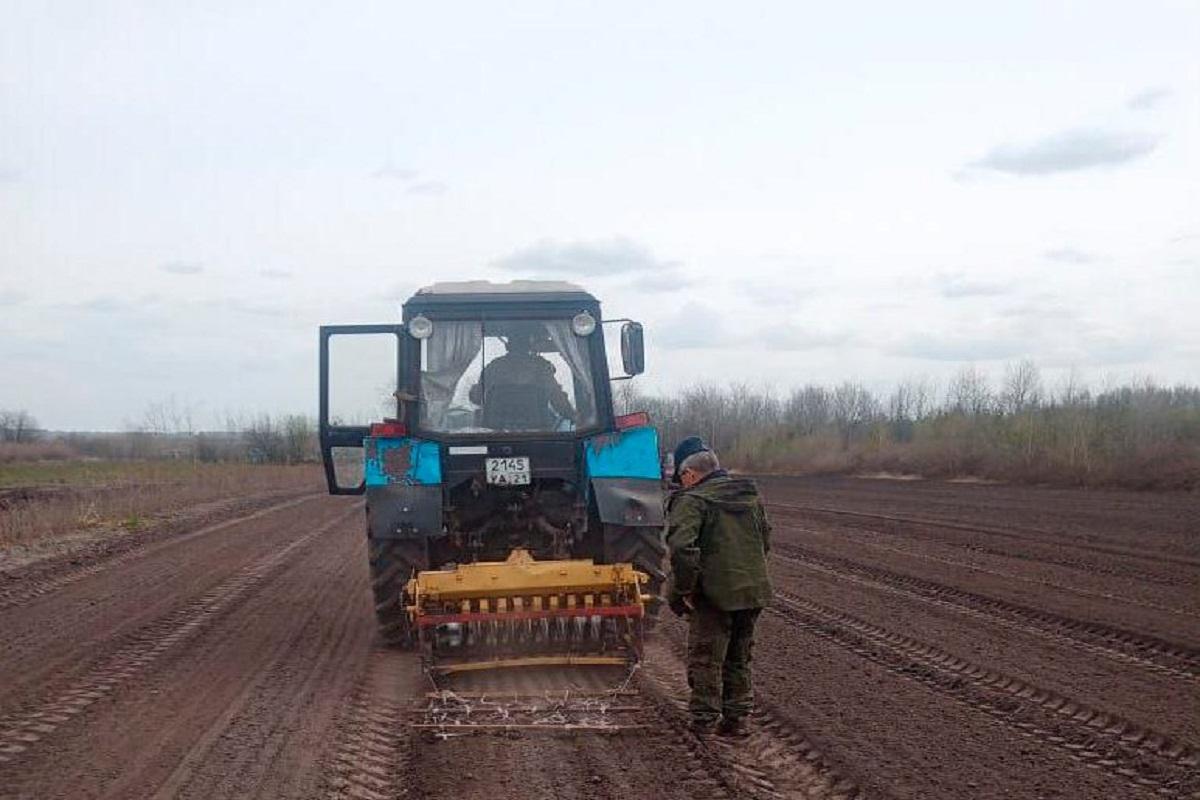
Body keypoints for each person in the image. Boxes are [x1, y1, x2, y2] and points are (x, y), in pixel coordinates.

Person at [665, 435, 772, 737]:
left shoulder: (693, 500)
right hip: (752, 591)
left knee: (706, 656)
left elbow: (682, 549)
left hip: (714, 594)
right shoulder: (749, 496)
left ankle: (703, 720)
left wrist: (685, 589)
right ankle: (737, 720)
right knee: (739, 656)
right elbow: (765, 541)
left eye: (682, 478)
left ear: (690, 474)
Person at [468, 325, 577, 427]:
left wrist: (474, 390)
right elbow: (557, 399)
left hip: (496, 433)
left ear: (508, 345)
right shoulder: (541, 367)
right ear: (529, 344)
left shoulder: (493, 367)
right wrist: (573, 415)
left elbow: (477, 398)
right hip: (538, 433)